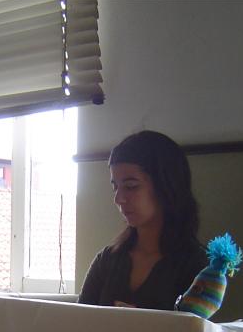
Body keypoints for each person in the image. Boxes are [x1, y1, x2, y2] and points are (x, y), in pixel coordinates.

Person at [78, 130, 207, 309]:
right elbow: (78, 320)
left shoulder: (197, 265)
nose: (119, 199)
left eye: (131, 186)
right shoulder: (108, 259)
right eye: (115, 187)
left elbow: (195, 325)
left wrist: (140, 321)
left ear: (165, 187)